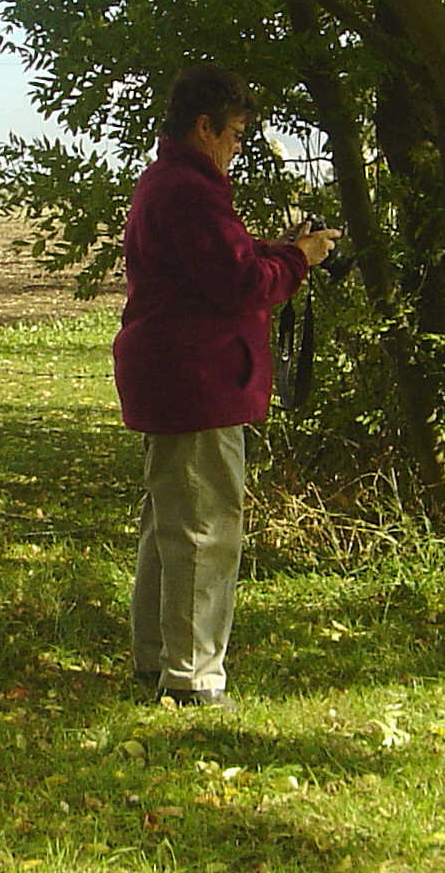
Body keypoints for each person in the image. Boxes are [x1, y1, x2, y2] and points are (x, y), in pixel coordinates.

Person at [113, 64, 338, 707]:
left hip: (176, 377)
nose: (239, 146)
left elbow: (219, 262)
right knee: (205, 529)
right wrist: (300, 259)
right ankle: (192, 676)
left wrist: (280, 248)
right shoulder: (190, 189)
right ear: (204, 125)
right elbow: (239, 284)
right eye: (236, 133)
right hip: (197, 380)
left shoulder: (171, 184)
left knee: (171, 524)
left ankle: (158, 659)